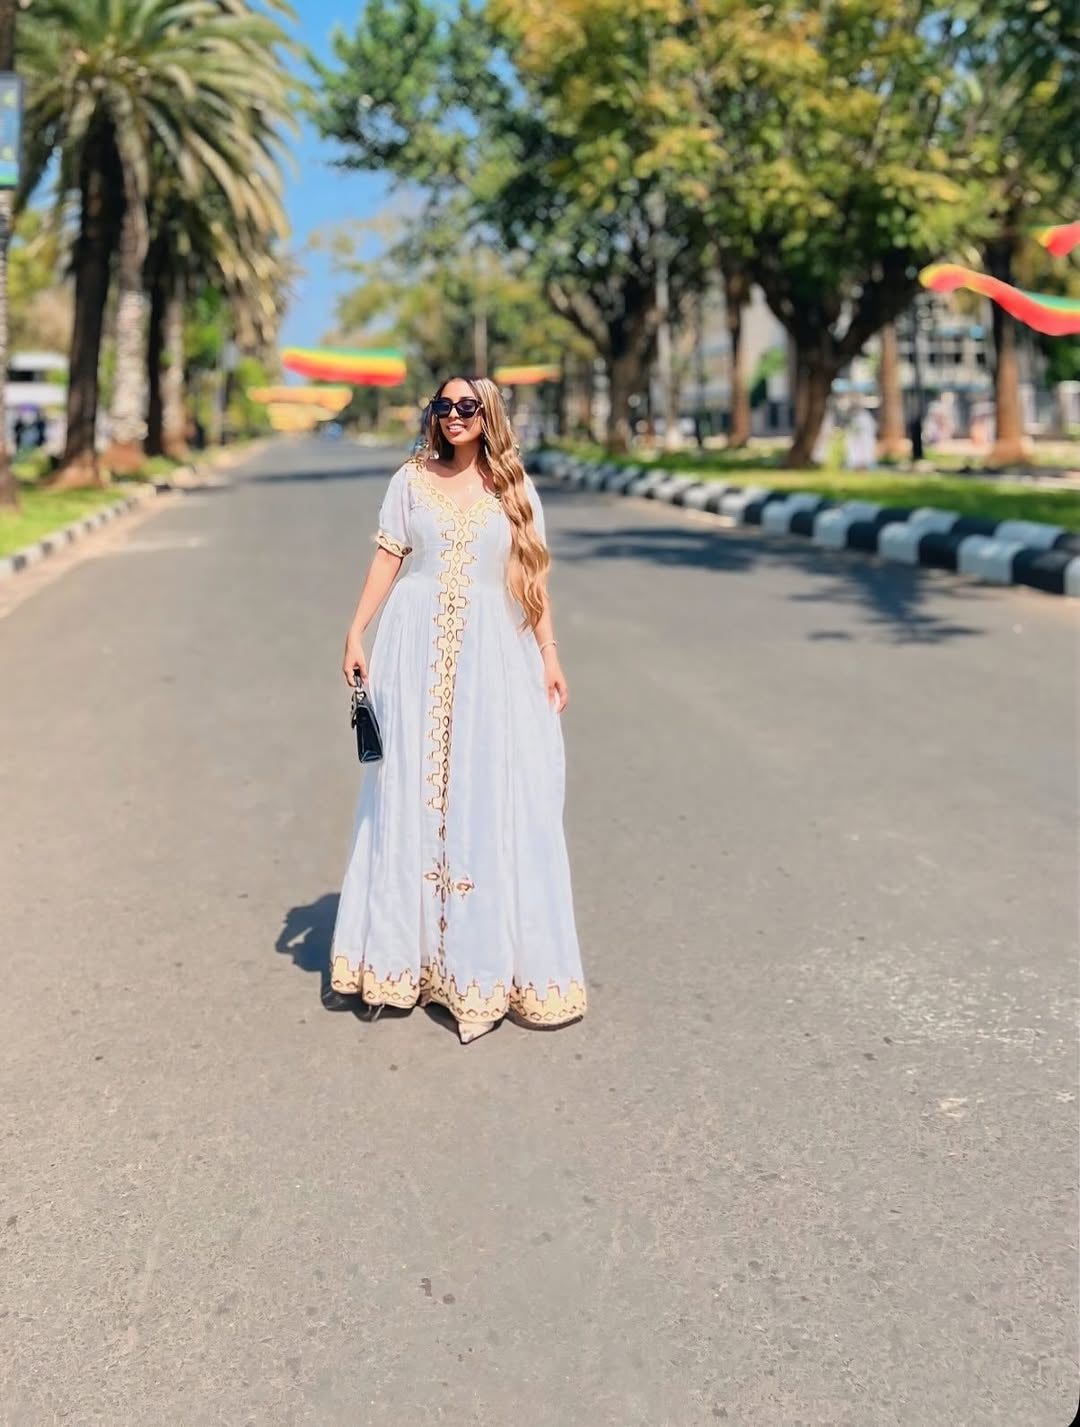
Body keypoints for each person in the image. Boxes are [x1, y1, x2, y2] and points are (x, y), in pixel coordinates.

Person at [330, 375, 587, 1044]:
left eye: (466, 406)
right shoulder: (410, 480)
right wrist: (357, 630)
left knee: (482, 791)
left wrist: (549, 653)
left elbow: (530, 577)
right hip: (413, 649)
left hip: (492, 655)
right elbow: (389, 556)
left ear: (488, 413)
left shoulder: (513, 488)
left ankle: (478, 970)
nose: (453, 416)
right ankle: (407, 960)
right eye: (443, 406)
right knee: (411, 789)